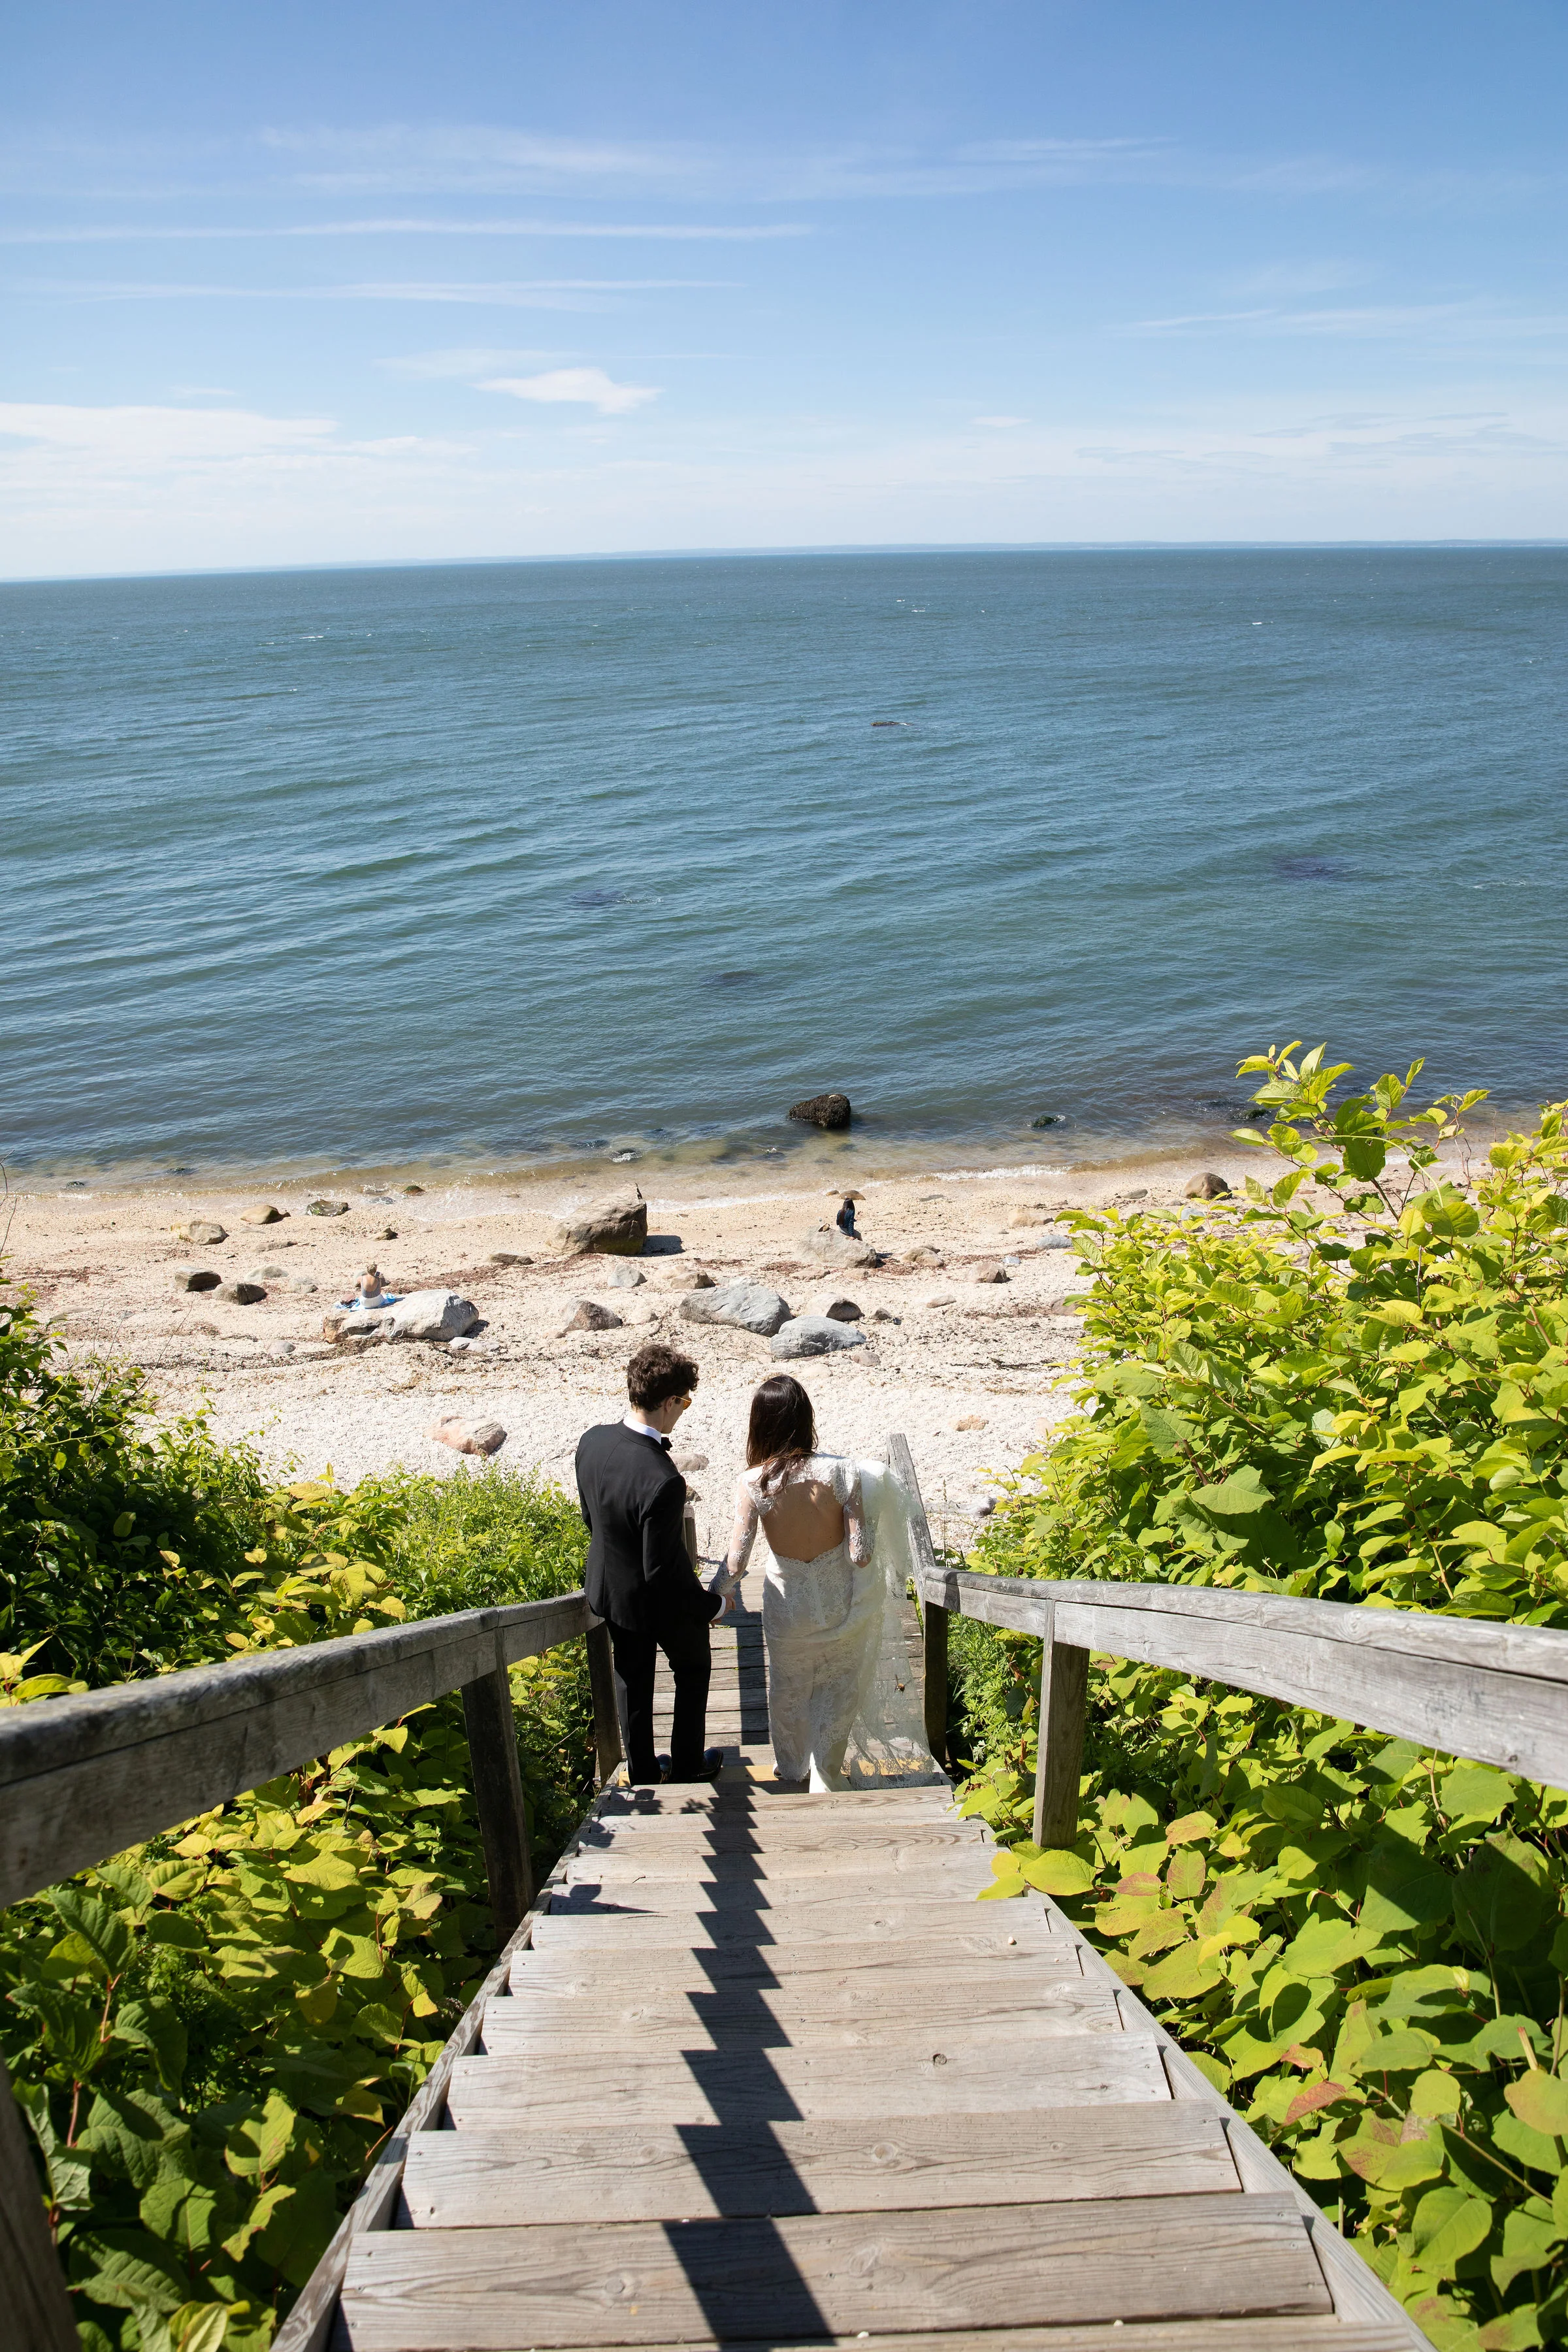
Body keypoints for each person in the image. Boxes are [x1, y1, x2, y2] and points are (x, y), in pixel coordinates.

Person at [714, 1375, 881, 1791]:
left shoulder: (753, 1481)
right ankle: (826, 1771)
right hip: (837, 1600)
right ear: (806, 1418)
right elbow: (860, 1554)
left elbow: (737, 1561)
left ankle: (792, 1768)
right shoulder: (845, 1472)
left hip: (788, 1605)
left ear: (760, 1424)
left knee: (789, 1687)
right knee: (837, 1688)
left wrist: (716, 1593)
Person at [576, 1341, 730, 1786]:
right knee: (694, 1665)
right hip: (656, 1599)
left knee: (633, 1681)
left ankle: (642, 1772)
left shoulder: (592, 1441)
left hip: (610, 1588)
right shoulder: (664, 1480)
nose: (684, 1410)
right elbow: (663, 1572)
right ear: (668, 1402)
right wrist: (711, 1607)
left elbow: (592, 1516)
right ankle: (686, 1766)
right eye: (684, 1402)